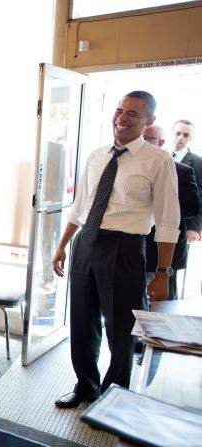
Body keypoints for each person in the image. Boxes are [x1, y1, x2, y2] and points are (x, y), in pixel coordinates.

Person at [52, 91, 179, 409]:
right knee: (82, 322)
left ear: (149, 121)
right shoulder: (96, 156)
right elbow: (79, 208)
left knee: (121, 329)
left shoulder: (158, 160)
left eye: (133, 113)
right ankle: (86, 386)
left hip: (124, 248)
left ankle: (113, 397)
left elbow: (167, 220)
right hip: (87, 243)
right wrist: (63, 246)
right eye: (120, 110)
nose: (122, 117)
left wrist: (163, 273)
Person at [143, 125, 200, 300]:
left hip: (165, 246)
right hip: (135, 245)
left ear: (160, 142)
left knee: (161, 301)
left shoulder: (182, 170)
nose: (143, 143)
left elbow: (192, 206)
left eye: (148, 139)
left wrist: (164, 208)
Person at [169, 119, 202, 244]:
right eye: (178, 133)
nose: (180, 138)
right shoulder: (160, 156)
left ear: (191, 138)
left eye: (186, 135)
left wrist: (194, 227)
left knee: (174, 262)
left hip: (183, 222)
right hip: (155, 220)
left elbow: (200, 196)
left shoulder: (199, 163)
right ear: (171, 133)